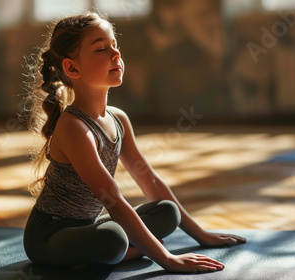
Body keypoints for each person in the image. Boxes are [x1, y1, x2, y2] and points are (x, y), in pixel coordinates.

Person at [22, 11, 246, 274]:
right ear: (72, 67)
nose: (116, 54)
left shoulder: (118, 119)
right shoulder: (73, 127)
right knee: (113, 238)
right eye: (101, 49)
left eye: (115, 46)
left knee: (167, 212)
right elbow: (113, 200)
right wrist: (168, 259)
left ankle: (124, 249)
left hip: (87, 226)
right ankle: (122, 250)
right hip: (49, 236)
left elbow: (148, 180)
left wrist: (202, 235)